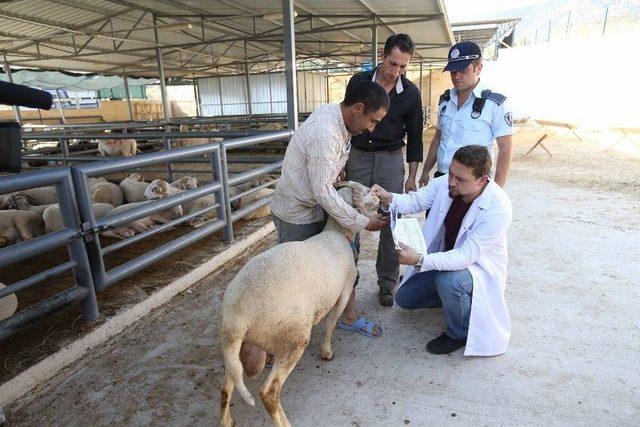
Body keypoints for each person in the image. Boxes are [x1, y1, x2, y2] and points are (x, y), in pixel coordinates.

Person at [371, 145, 512, 356]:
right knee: (405, 299)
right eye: (451, 174)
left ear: (482, 180)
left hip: (475, 269)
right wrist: (387, 196)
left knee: (449, 282)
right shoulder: (446, 183)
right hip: (446, 259)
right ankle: (458, 301)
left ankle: (458, 333)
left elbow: (465, 257)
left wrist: (419, 259)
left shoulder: (498, 207)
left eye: (461, 179)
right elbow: (415, 201)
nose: (452, 182)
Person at [345, 33, 424, 307]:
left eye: (403, 66)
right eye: (392, 64)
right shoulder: (358, 82)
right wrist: (341, 163)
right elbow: (347, 120)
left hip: (391, 159)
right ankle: (345, 280)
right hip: (358, 155)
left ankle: (387, 284)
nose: (395, 72)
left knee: (392, 221)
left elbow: (415, 137)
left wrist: (412, 175)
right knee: (349, 215)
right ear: (382, 55)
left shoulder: (411, 93)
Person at [419, 41, 513, 189]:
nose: (456, 76)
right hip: (442, 179)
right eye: (453, 71)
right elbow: (438, 138)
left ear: (479, 68)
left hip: (472, 185)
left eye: (463, 70)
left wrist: (496, 191)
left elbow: (505, 149)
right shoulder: (445, 101)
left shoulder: (494, 104)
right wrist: (426, 171)